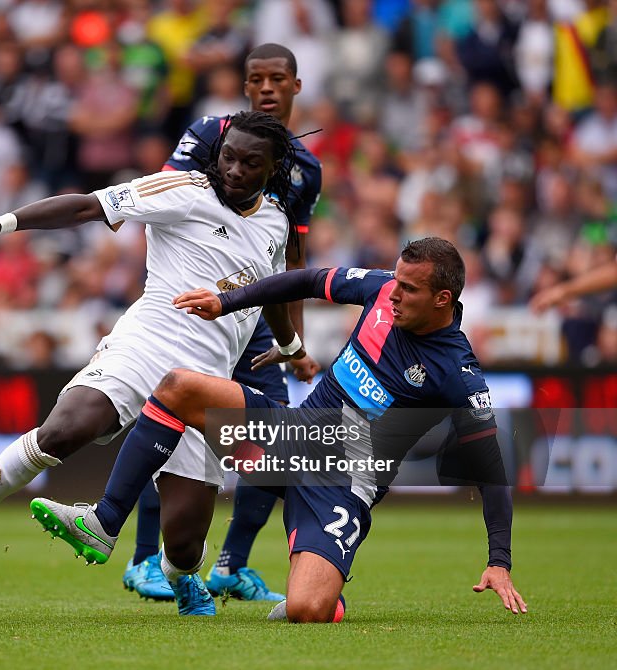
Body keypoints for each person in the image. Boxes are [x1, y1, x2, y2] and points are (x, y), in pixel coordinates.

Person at [0, 111, 302, 588]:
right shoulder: (184, 190)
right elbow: (85, 207)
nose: (235, 170)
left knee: (182, 544)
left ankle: (183, 580)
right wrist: (0, 224)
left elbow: (274, 288)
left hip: (206, 383)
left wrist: (290, 345)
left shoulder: (276, 221)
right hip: (145, 347)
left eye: (250, 163)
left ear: (274, 167)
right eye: (228, 157)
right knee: (64, 429)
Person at [35, 238, 527, 620]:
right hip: (288, 438)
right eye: (395, 282)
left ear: (443, 299)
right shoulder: (381, 289)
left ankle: (319, 591)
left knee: (306, 611)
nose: (393, 294)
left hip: (341, 483)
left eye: (409, 289)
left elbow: (490, 466)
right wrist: (225, 302)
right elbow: (305, 280)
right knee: (178, 387)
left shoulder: (459, 372)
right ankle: (105, 522)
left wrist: (498, 559)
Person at [121, 42, 322, 603]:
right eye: (256, 78)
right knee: (177, 422)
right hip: (194, 307)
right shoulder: (211, 132)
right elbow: (163, 202)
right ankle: (144, 561)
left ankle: (231, 563)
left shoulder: (306, 169)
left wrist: (295, 342)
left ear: (295, 86)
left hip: (254, 317)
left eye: (277, 78)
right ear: (244, 83)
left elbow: (292, 266)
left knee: (271, 436)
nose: (266, 88)